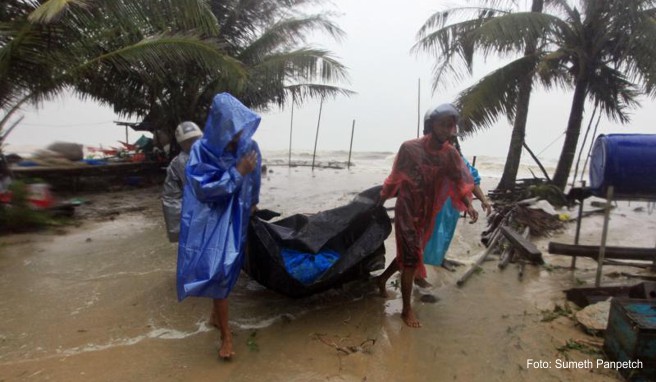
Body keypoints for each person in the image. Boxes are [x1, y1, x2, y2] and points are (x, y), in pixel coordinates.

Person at [376, 103, 479, 328]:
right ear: (430, 125)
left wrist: (469, 205)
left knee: (411, 254)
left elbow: (460, 182)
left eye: (450, 125)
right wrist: (379, 204)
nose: (446, 129)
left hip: (427, 211)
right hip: (407, 209)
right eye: (442, 124)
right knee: (412, 256)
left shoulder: (450, 154)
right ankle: (406, 310)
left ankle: (381, 280)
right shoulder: (410, 148)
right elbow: (393, 179)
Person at [177, 93, 261, 359]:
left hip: (237, 215)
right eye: (232, 128)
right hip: (211, 217)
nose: (237, 135)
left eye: (240, 128)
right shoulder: (201, 151)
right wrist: (238, 172)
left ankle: (216, 313)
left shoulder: (250, 146)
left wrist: (254, 203)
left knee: (229, 269)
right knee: (219, 270)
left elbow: (255, 180)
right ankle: (226, 336)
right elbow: (203, 189)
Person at [422, 136, 492, 273]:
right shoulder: (432, 159)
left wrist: (483, 200)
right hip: (432, 203)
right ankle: (419, 268)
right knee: (428, 235)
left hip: (453, 205)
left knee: (447, 232)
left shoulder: (461, 161)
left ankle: (440, 259)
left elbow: (472, 181)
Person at [161, 121, 203, 243]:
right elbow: (171, 197)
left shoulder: (210, 155)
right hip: (195, 215)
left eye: (195, 139)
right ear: (182, 144)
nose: (193, 144)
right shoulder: (179, 163)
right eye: (189, 142)